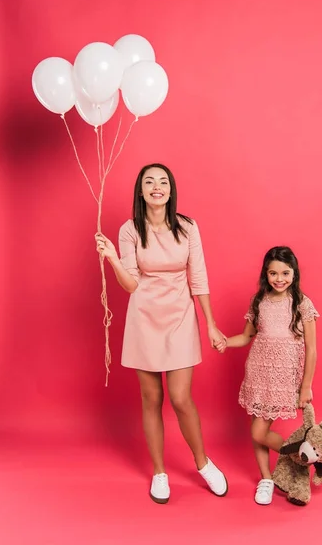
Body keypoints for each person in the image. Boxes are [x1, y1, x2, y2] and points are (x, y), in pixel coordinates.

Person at [95, 163, 228, 504]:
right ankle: (159, 472)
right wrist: (111, 257)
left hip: (181, 317)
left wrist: (210, 323)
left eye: (163, 181)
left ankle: (203, 463)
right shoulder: (129, 230)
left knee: (181, 398)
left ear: (171, 189)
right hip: (144, 319)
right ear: (140, 191)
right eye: (149, 182)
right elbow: (131, 284)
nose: (157, 186)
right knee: (151, 399)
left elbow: (198, 277)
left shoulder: (188, 227)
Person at [215, 246, 318, 505]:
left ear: (294, 273)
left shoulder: (302, 304)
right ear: (266, 274)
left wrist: (306, 386)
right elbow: (247, 336)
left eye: (285, 272)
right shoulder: (258, 300)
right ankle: (267, 478)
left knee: (258, 432)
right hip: (258, 374)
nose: (279, 278)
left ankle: (300, 457)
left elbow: (312, 348)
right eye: (273, 273)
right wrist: (225, 341)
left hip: (284, 377)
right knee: (255, 430)